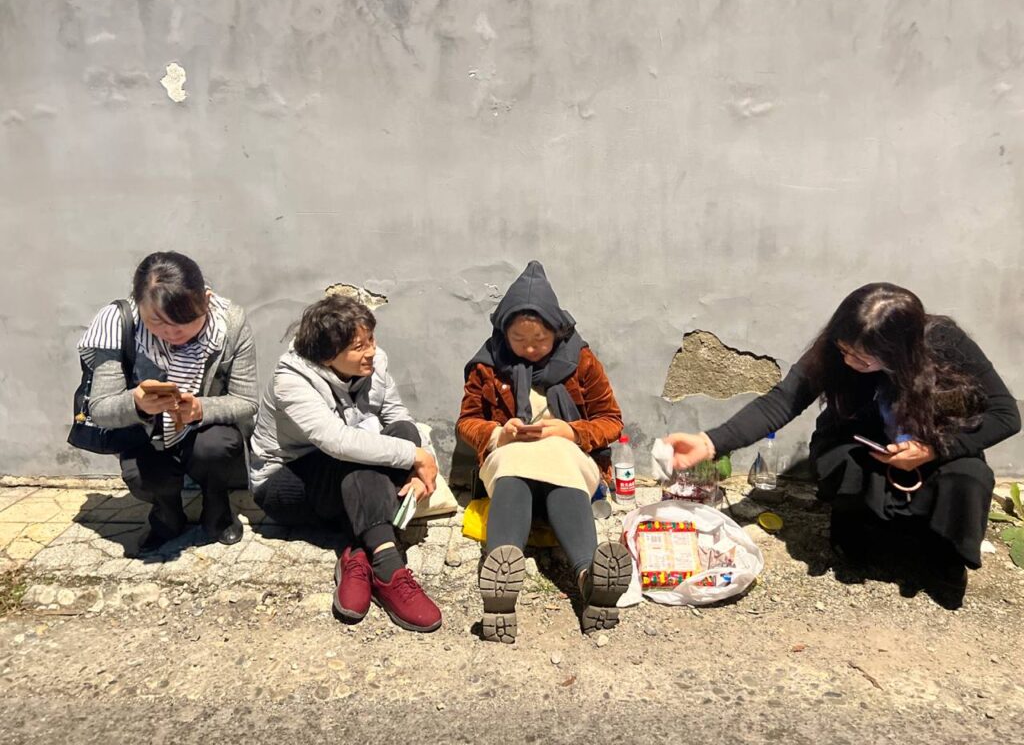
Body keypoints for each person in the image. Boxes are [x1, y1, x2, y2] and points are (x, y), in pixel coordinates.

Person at [664, 283, 1020, 603]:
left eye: (863, 358)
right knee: (842, 468)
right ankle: (860, 540)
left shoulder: (944, 343)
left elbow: (1006, 415)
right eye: (844, 350)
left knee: (968, 477)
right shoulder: (836, 349)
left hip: (936, 441)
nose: (849, 361)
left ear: (900, 351)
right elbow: (782, 402)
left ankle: (943, 559)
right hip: (866, 442)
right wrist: (710, 442)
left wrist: (932, 450)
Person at [457, 261, 633, 643]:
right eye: (519, 340)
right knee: (514, 464)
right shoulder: (488, 365)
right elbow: (467, 421)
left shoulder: (581, 360)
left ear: (557, 329)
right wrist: (498, 433)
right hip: (510, 456)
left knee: (560, 459)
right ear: (503, 333)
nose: (530, 349)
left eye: (540, 339)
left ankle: (589, 579)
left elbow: (611, 420)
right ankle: (501, 582)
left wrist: (571, 431)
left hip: (569, 459)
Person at [249, 295, 442, 633]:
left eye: (371, 339)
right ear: (327, 356)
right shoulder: (291, 381)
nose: (371, 351)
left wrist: (418, 467)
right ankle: (389, 567)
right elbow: (337, 441)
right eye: (358, 347)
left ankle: (358, 552)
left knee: (403, 432)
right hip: (287, 483)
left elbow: (396, 416)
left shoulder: (374, 364)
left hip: (346, 472)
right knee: (356, 456)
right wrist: (414, 457)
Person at [80, 251, 257, 553]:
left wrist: (201, 408)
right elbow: (100, 407)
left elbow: (246, 399)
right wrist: (136, 404)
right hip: (147, 434)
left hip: (203, 431)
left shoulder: (230, 322)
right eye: (157, 322)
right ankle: (166, 514)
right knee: (140, 474)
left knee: (217, 447)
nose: (174, 333)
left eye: (186, 320)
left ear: (206, 299)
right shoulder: (117, 323)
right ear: (138, 305)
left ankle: (217, 507)